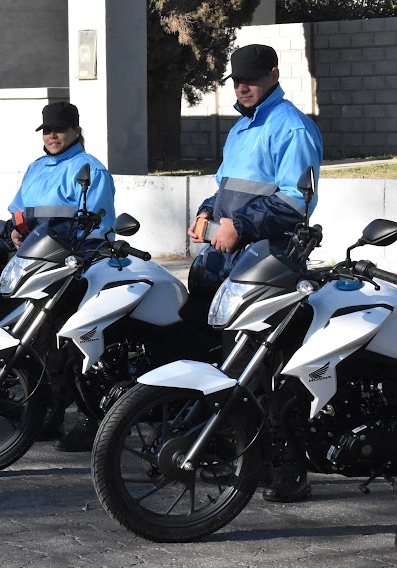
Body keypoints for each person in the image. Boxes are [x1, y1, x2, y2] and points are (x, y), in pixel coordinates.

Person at [187, 44, 323, 502]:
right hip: (231, 266)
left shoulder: (292, 126)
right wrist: (206, 214)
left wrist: (240, 225)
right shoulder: (242, 128)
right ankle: (246, 458)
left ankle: (289, 466)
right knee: (231, 369)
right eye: (237, 80)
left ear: (273, 74)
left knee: (270, 371)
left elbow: (295, 201)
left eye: (251, 79)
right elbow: (225, 187)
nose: (242, 87)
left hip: (270, 265)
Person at [7, 101, 116, 452]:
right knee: (40, 347)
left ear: (76, 130)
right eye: (47, 130)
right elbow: (19, 211)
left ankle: (91, 419)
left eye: (60, 129)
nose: (53, 136)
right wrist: (14, 229)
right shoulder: (36, 168)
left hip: (77, 270)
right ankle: (51, 414)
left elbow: (96, 225)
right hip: (38, 268)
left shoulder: (90, 169)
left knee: (73, 347)